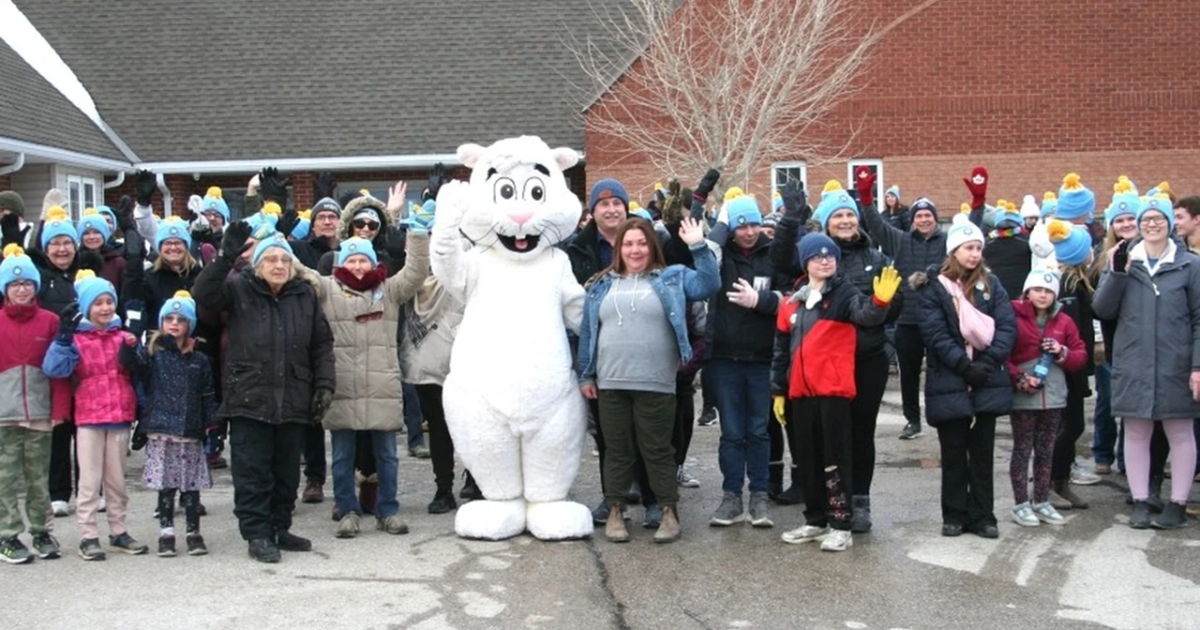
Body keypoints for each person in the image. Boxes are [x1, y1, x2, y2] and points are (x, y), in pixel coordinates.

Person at [192, 224, 335, 563]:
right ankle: (256, 533)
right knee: (252, 471)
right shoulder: (238, 288)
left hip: (293, 395)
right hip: (249, 396)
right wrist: (225, 257)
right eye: (270, 259)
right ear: (257, 264)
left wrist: (325, 384)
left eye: (285, 259)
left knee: (287, 472)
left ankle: (279, 526)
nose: (279, 265)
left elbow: (321, 344)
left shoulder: (304, 294)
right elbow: (204, 294)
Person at [578, 216, 719, 543]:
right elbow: (588, 332)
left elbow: (708, 285)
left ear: (652, 246)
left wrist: (698, 246)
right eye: (628, 244)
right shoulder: (600, 285)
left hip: (656, 383)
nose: (635, 250)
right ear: (619, 248)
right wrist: (586, 374)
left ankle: (668, 511)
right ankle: (616, 511)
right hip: (611, 383)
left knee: (657, 450)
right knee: (617, 450)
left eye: (642, 243)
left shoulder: (672, 277)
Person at [774, 181, 897, 530]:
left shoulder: (875, 257)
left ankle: (859, 501)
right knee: (830, 437)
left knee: (861, 432)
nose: (845, 220)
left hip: (867, 359)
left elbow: (892, 304)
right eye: (837, 215)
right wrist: (792, 216)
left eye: (849, 214)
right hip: (827, 364)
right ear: (826, 223)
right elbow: (781, 258)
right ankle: (829, 504)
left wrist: (883, 311)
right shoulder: (816, 257)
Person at [299, 227, 431, 539]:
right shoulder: (327, 289)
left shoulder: (389, 290)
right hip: (343, 386)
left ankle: (388, 511)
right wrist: (273, 243)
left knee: (388, 456)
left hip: (381, 387)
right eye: (352, 260)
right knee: (342, 457)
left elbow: (416, 272)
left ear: (373, 263)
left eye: (363, 260)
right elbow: (301, 273)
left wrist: (417, 237)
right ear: (341, 263)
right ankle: (347, 511)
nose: (358, 266)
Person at [1092, 192, 1200, 529]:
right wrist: (1117, 273)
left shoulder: (1190, 265)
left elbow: (1199, 320)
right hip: (1133, 362)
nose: (1152, 224)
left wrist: (1197, 366)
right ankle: (1140, 500)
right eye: (1146, 219)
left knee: (1180, 431)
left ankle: (1177, 504)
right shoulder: (1124, 261)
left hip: (1176, 362)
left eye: (1159, 218)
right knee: (1136, 431)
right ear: (1139, 225)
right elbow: (1102, 309)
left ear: (1170, 223)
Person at [913, 212, 1016, 539]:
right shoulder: (934, 287)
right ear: (953, 251)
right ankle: (954, 514)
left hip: (986, 378)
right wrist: (963, 365)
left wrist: (988, 362)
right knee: (954, 452)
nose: (974, 254)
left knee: (982, 453)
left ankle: (983, 515)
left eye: (978, 248)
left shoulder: (992, 285)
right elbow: (935, 333)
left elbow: (1007, 326)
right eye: (968, 248)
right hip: (950, 379)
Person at [43, 270, 149, 560]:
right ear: (86, 306)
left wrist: (136, 352)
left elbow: (140, 372)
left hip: (120, 416)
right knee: (89, 481)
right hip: (89, 417)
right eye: (98, 303)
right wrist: (63, 338)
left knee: (116, 481)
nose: (105, 308)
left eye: (109, 302)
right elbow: (54, 369)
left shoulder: (123, 337)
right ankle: (88, 535)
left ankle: (118, 530)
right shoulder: (76, 340)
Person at [705, 193, 784, 528]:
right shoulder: (720, 256)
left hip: (762, 358)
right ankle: (731, 496)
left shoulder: (773, 255)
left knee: (759, 431)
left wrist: (762, 300)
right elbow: (704, 256)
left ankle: (760, 495)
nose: (749, 232)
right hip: (724, 358)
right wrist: (721, 225)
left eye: (754, 224)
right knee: (732, 432)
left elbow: (788, 298)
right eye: (741, 226)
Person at [858, 166, 953, 439]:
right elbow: (876, 225)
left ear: (935, 219)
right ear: (912, 220)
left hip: (939, 320)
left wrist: (978, 204)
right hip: (908, 320)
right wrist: (866, 198)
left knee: (939, 371)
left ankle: (941, 416)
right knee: (908, 375)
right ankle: (912, 420)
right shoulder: (900, 241)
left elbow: (973, 232)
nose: (923, 220)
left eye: (928, 216)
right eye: (919, 216)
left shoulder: (948, 243)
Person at [126, 291, 217, 557]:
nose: (174, 323)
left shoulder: (200, 360)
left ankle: (193, 532)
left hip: (190, 431)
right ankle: (166, 533)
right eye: (169, 319)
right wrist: (133, 334)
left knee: (191, 486)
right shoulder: (153, 354)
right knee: (166, 485)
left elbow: (208, 394)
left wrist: (214, 426)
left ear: (190, 325)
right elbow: (131, 363)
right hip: (161, 430)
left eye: (181, 319)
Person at [0, 246, 71, 564]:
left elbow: (60, 372)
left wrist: (60, 408)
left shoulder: (50, 322)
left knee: (38, 478)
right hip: (4, 416)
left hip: (40, 414)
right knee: (5, 478)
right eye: (15, 284)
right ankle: (8, 534)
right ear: (5, 289)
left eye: (27, 283)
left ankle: (41, 531)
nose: (22, 289)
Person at [1005, 268, 1087, 527]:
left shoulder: (1065, 321)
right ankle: (1020, 503)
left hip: (1053, 395)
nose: (1042, 295)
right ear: (1027, 291)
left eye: (1048, 291)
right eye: (1037, 289)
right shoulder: (1012, 316)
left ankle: (1041, 500)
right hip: (1023, 396)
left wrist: (1062, 352)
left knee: (1045, 450)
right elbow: (1003, 356)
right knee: (1022, 449)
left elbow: (1080, 354)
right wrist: (1019, 377)